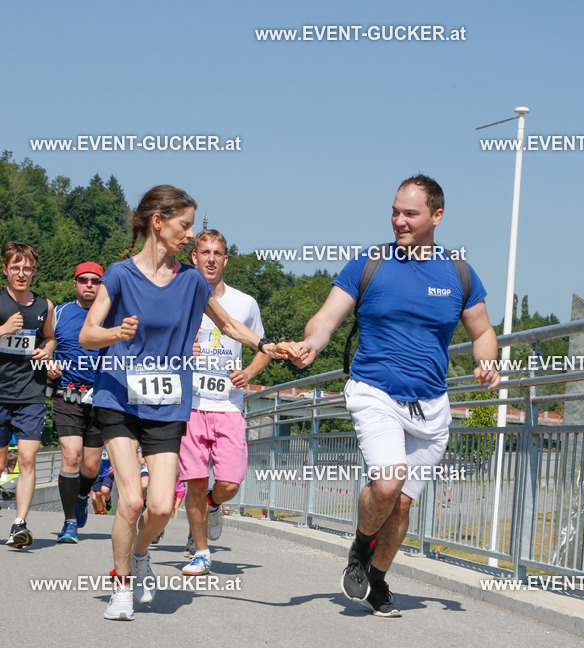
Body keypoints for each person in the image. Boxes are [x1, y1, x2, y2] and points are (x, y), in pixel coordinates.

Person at [80, 184, 296, 620]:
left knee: (160, 506)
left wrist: (270, 345)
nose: (189, 235)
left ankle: (140, 556)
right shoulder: (120, 275)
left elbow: (231, 325)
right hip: (119, 397)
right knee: (131, 501)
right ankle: (121, 586)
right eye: (184, 225)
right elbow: (87, 335)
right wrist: (116, 334)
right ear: (158, 224)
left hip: (166, 404)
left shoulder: (192, 281)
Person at [292, 175, 500, 616]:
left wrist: (488, 361)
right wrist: (311, 343)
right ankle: (361, 548)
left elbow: (482, 330)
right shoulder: (369, 265)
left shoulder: (458, 272)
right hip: (375, 392)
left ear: (436, 217)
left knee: (402, 505)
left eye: (411, 214)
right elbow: (326, 318)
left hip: (431, 406)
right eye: (394, 212)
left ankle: (379, 580)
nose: (399, 221)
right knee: (388, 482)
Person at [178, 229, 270, 576]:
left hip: (228, 405)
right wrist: (183, 352)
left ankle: (213, 506)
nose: (211, 259)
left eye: (218, 253)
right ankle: (200, 551)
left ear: (226, 259)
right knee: (196, 481)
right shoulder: (180, 298)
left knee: (229, 483)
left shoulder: (244, 303)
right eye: (205, 252)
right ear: (194, 257)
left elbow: (262, 347)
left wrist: (248, 371)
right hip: (191, 404)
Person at [0, 241, 56, 548]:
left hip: (31, 393)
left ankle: (19, 523)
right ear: (6, 269)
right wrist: (4, 328)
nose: (22, 274)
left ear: (34, 271)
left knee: (27, 458)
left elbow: (50, 338)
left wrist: (46, 351)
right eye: (16, 268)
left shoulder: (44, 306)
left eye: (27, 268)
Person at [49, 262, 105, 543]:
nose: (89, 285)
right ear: (75, 284)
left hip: (100, 399)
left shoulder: (112, 315)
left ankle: (83, 496)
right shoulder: (59, 313)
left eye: (95, 281)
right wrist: (47, 363)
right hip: (66, 396)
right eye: (83, 280)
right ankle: (69, 522)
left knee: (92, 466)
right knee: (71, 456)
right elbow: (45, 343)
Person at [91, 446, 114, 513]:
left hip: (108, 472)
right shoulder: (94, 444)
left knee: (105, 490)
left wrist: (114, 466)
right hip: (96, 473)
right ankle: (100, 512)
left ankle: (108, 500)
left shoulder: (109, 443)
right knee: (97, 494)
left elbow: (117, 456)